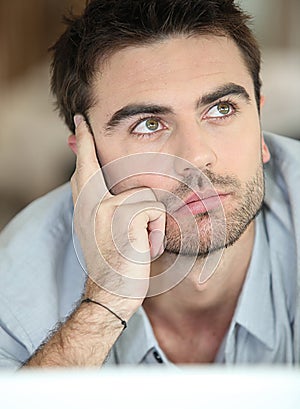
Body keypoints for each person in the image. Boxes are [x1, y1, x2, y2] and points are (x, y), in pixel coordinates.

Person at [0, 0, 299, 369]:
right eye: (148, 125)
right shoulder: (15, 278)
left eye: (221, 109)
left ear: (260, 127)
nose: (195, 157)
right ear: (88, 158)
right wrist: (106, 303)